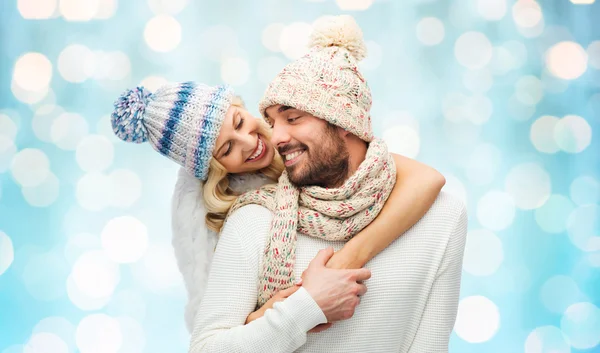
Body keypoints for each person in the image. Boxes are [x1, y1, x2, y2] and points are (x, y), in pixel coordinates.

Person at [187, 15, 468, 353]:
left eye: (293, 118)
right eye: (273, 122)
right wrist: (305, 307)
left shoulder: (442, 216)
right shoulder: (254, 219)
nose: (275, 137)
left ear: (343, 121)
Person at [110, 57, 445, 334]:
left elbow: (426, 179)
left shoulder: (302, 140)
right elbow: (220, 328)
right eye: (227, 148)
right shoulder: (237, 218)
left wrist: (347, 262)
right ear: (215, 169)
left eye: (240, 122)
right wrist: (280, 310)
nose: (251, 143)